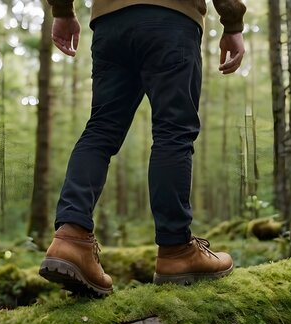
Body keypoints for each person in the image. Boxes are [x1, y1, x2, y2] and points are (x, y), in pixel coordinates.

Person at [39, 0, 247, 297]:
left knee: (100, 129)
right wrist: (232, 21)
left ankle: (70, 238)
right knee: (173, 132)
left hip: (111, 23)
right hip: (172, 19)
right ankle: (176, 250)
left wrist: (61, 9)